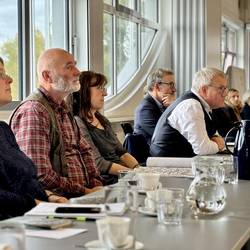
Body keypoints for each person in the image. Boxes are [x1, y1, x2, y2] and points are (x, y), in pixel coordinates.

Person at [10, 49, 103, 198]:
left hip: (83, 196)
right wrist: (86, 192)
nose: (78, 72)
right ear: (47, 76)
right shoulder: (34, 111)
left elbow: (85, 151)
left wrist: (96, 185)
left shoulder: (63, 109)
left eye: (75, 65)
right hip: (59, 201)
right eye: (69, 67)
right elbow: (39, 174)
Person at [0, 57, 67, 220]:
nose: (10, 79)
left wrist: (49, 196)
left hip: (31, 214)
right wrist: (34, 204)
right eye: (1, 74)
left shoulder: (2, 129)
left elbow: (25, 179)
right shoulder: (34, 109)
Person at [72, 71, 139, 182]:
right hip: (105, 179)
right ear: (84, 91)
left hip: (121, 174)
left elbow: (121, 152)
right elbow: (98, 163)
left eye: (104, 88)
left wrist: (138, 169)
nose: (105, 94)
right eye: (99, 88)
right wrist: (132, 174)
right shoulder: (78, 122)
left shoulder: (103, 120)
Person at [150, 67, 226, 157]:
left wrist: (215, 141)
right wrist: (219, 145)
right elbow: (202, 149)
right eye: (221, 89)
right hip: (167, 165)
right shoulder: (191, 105)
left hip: (181, 161)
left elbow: (212, 137)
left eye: (225, 89)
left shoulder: (202, 105)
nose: (225, 93)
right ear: (204, 90)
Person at [134, 68, 176, 145]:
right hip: (152, 154)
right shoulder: (145, 109)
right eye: (170, 84)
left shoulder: (163, 104)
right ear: (157, 87)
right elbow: (166, 136)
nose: (174, 89)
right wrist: (174, 106)